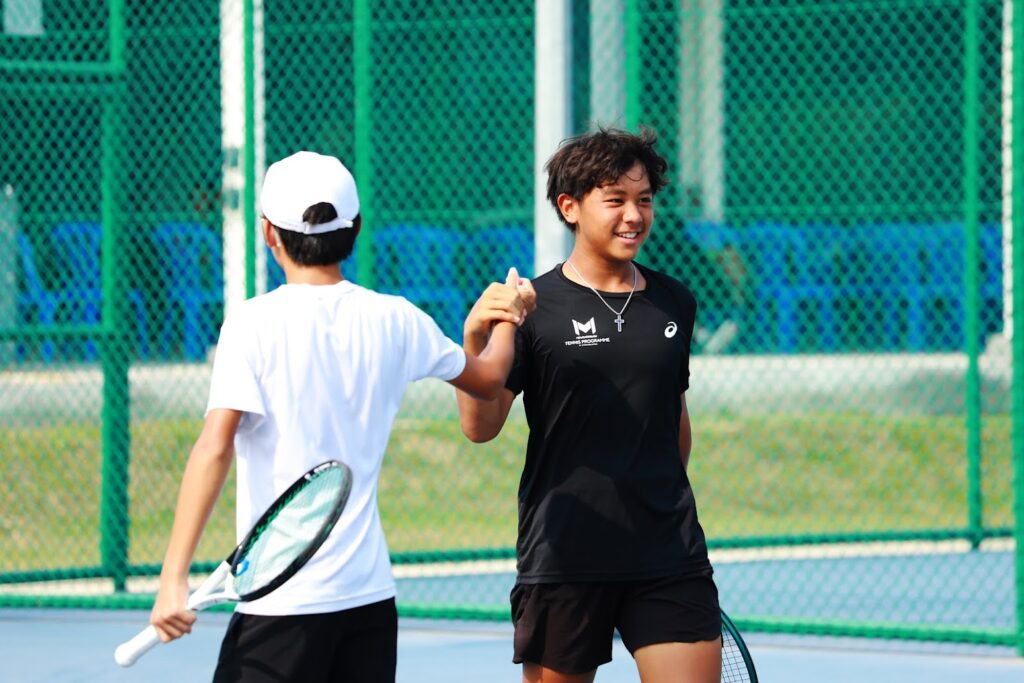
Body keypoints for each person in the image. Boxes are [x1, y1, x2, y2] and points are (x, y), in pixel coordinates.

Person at [148, 150, 534, 682]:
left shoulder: (250, 324)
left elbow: (215, 446)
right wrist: (510, 314)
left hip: (280, 609)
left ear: (268, 233)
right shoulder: (397, 318)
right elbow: (489, 378)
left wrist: (173, 577)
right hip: (368, 605)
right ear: (356, 228)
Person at [457, 129, 722, 683]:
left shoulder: (676, 301)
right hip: (565, 556)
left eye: (644, 200)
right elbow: (480, 427)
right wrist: (475, 339)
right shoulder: (533, 308)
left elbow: (674, 419)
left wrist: (655, 497)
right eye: (616, 200)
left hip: (668, 555)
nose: (634, 216)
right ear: (569, 207)